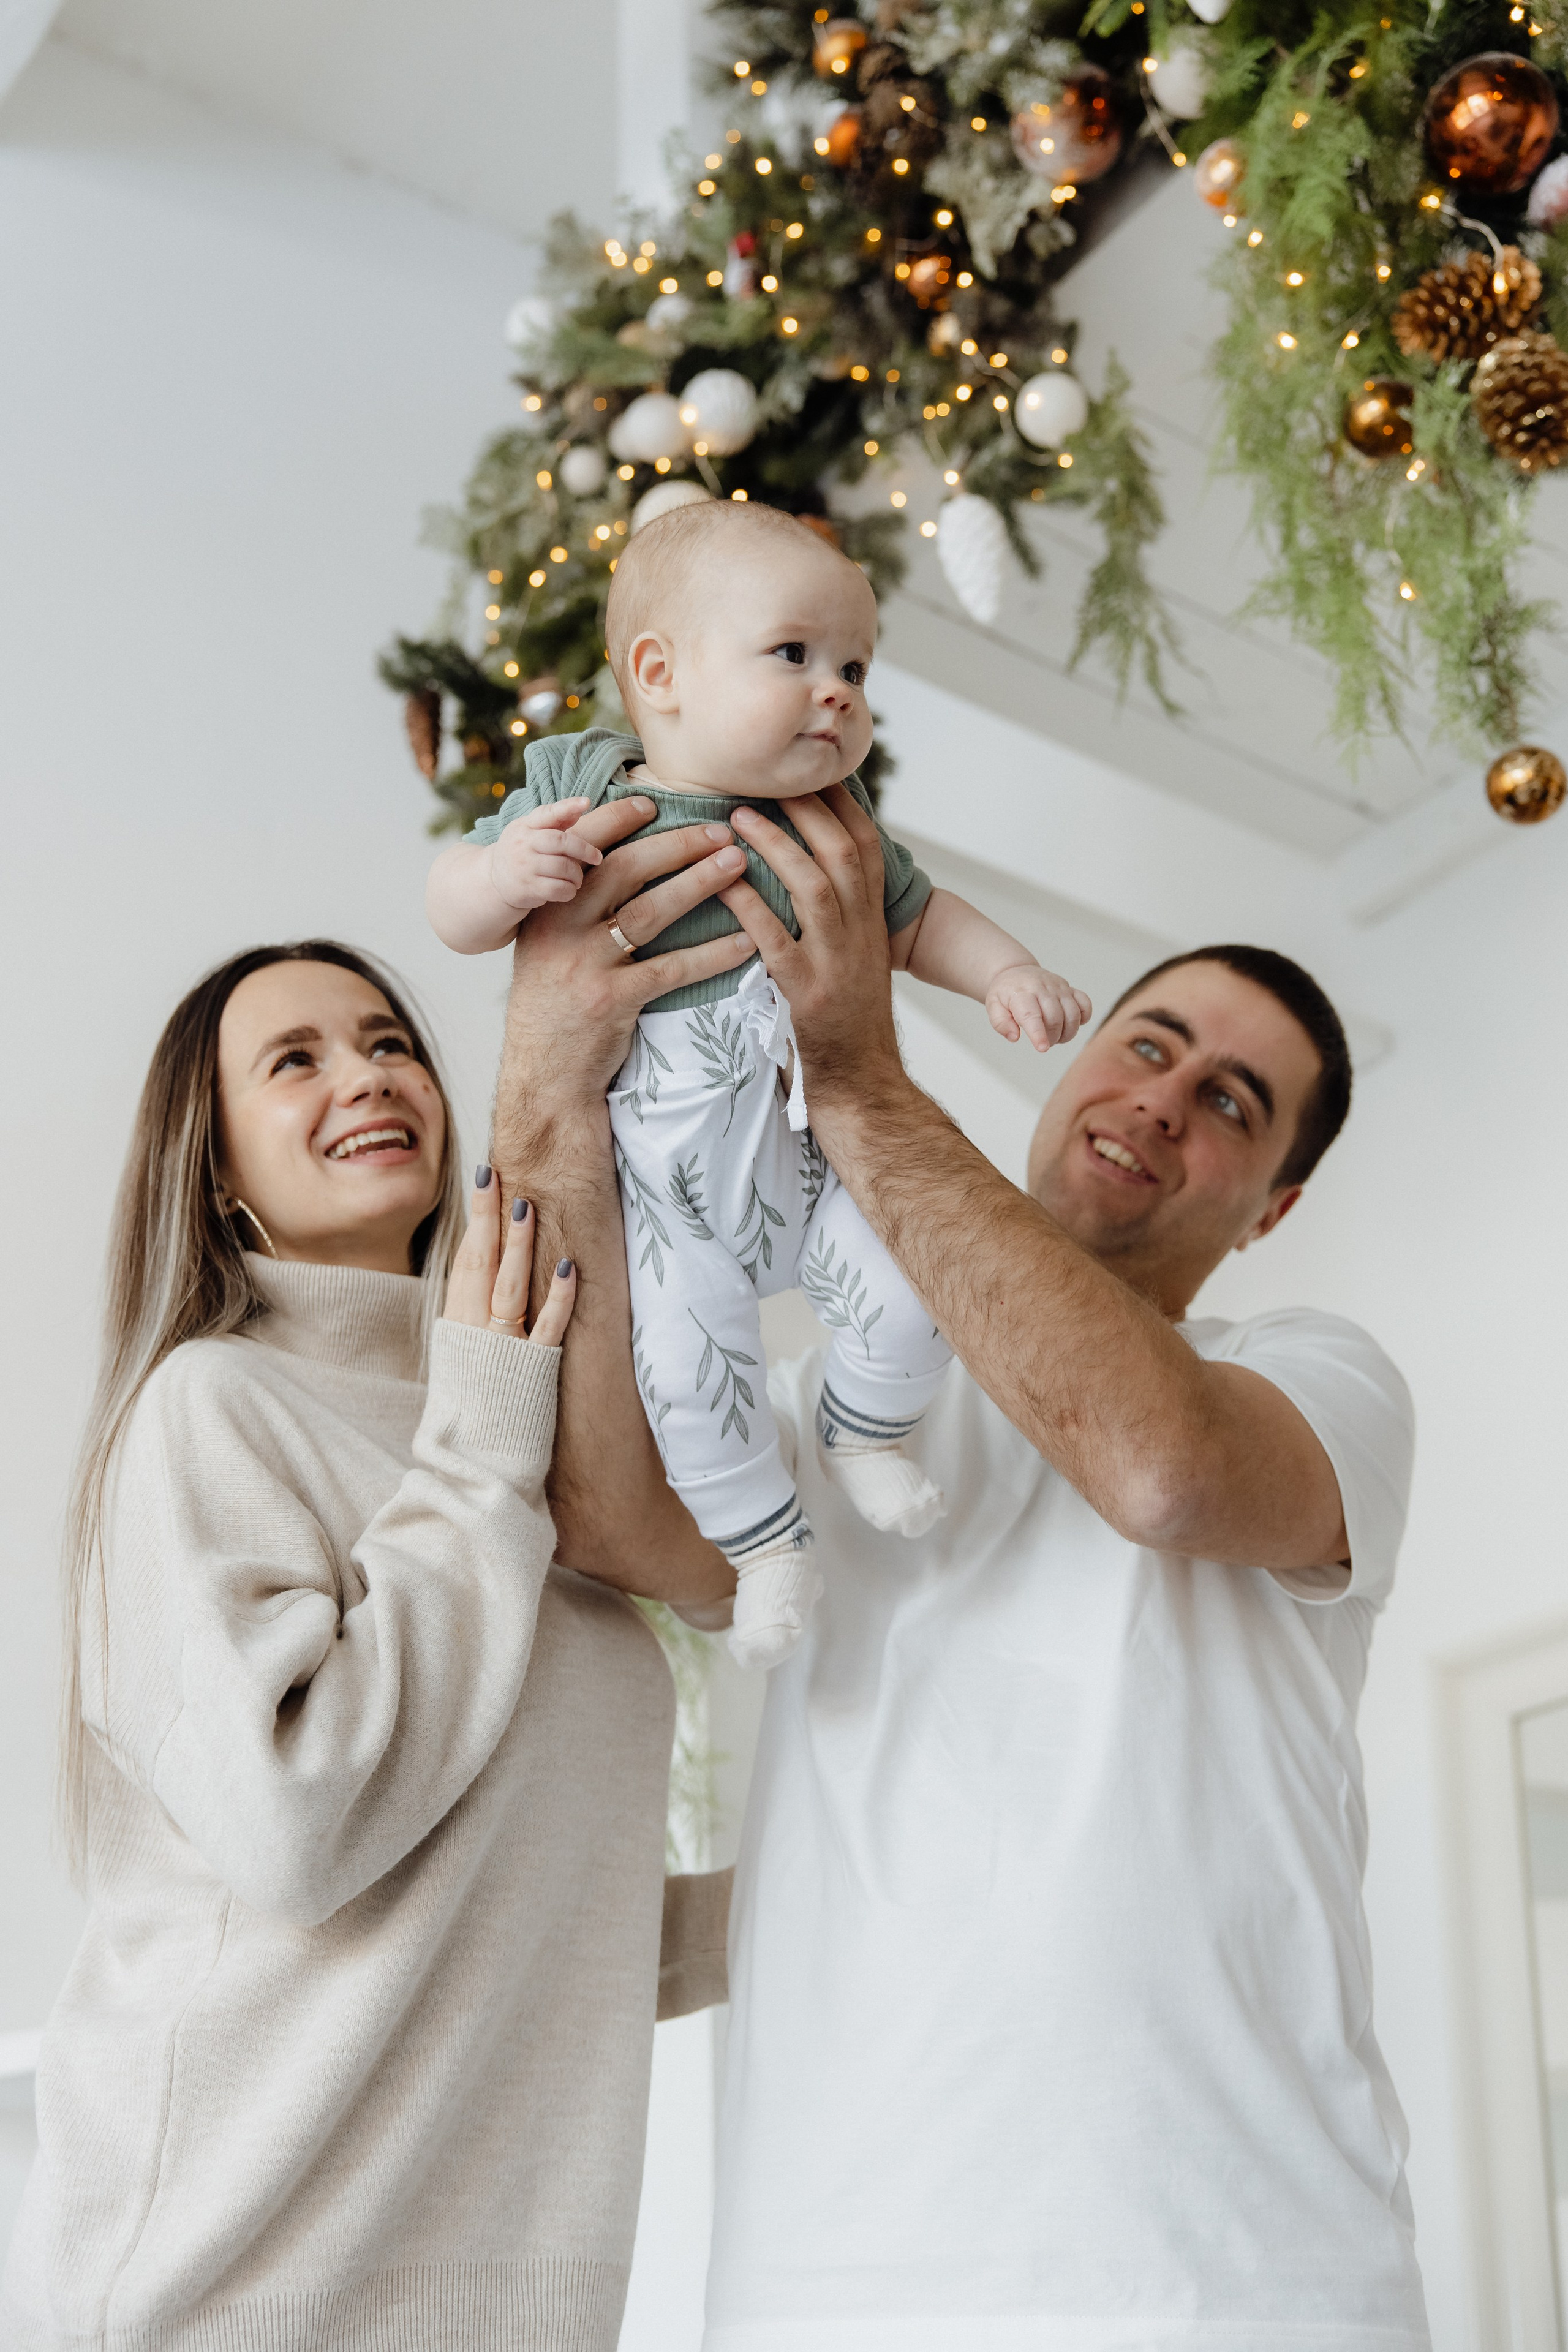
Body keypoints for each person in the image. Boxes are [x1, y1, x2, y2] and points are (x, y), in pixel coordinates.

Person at [488, 791, 1430, 2352]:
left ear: (1271, 1208)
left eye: (1232, 1101)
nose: (1162, 1099)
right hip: (828, 2281)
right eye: (1145, 1043)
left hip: (1235, 2285)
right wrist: (546, 1075)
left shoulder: (1318, 1382)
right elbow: (598, 1514)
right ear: (1071, 1064)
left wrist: (852, 1077)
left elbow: (1159, 1470)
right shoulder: (825, 1412)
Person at [2, 937, 715, 2352]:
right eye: (296, 1059)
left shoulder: (538, 1457)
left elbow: (522, 1910)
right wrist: (479, 1441)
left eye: (389, 1042)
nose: (367, 1077)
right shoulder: (213, 1409)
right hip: (226, 2294)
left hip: (506, 2308)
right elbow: (300, 1826)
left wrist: (824, 1896)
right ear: (215, 1169)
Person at [428, 499, 1090, 1667]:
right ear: (659, 672)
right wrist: (502, 874)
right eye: (795, 655)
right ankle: (769, 1551)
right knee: (692, 1379)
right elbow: (454, 908)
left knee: (914, 1289)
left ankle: (863, 1433)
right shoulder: (586, 787)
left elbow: (922, 919)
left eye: (855, 668)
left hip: (810, 1168)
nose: (838, 690)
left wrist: (1008, 973)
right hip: (673, 1212)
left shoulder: (836, 827)